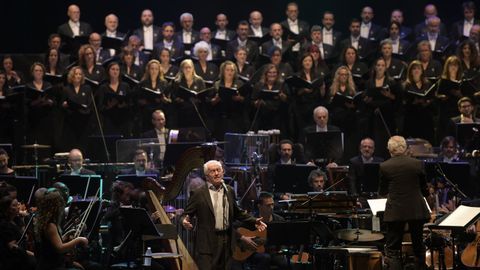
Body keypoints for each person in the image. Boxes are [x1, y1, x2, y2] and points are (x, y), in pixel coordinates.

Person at [181, 160, 267, 270]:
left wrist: (254, 220)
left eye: (218, 170)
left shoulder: (229, 190)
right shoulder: (198, 193)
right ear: (207, 176)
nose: (216, 173)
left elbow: (238, 213)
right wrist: (184, 221)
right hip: (207, 243)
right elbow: (186, 214)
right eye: (212, 171)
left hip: (226, 240)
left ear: (223, 172)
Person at [378, 136, 430, 270]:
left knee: (394, 248)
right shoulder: (417, 164)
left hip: (396, 211)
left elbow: (382, 191)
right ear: (405, 148)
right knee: (418, 245)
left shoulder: (385, 166)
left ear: (389, 149)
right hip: (416, 209)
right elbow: (425, 189)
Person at [33, 188, 89, 270]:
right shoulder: (50, 225)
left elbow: (52, 242)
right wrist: (79, 239)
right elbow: (59, 248)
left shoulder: (45, 221)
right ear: (56, 206)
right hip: (52, 266)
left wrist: (67, 235)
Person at [96, 61, 133, 137]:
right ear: (108, 71)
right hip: (109, 121)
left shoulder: (125, 86)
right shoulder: (103, 88)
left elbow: (131, 103)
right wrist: (109, 106)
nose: (115, 71)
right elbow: (100, 107)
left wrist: (124, 105)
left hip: (124, 121)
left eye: (117, 69)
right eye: (113, 69)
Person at [250, 64, 289, 134]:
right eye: (270, 72)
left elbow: (288, 101)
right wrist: (256, 103)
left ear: (277, 74)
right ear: (266, 74)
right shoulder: (258, 85)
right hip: (262, 118)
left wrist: (282, 96)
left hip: (278, 117)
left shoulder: (282, 85)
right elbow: (252, 100)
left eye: (274, 72)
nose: (272, 74)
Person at [402, 60, 435, 143]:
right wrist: (413, 102)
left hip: (426, 117)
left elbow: (432, 99)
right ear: (410, 71)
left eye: (418, 68)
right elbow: (403, 102)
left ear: (422, 71)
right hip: (411, 117)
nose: (416, 70)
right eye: (414, 69)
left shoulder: (428, 84)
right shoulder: (406, 85)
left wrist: (427, 102)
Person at [25, 62, 56, 146]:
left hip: (46, 118)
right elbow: (27, 103)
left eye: (40, 70)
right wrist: (38, 101)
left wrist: (48, 102)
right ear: (32, 73)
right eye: (36, 70)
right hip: (33, 119)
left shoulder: (48, 85)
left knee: (46, 142)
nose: (38, 72)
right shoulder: (28, 86)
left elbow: (53, 101)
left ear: (43, 72)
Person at [171, 59, 207, 128]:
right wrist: (178, 100)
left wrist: (198, 99)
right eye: (185, 67)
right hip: (182, 113)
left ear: (193, 68)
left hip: (196, 113)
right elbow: (173, 96)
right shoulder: (177, 82)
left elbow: (203, 96)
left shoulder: (199, 80)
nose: (188, 70)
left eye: (189, 67)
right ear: (182, 69)